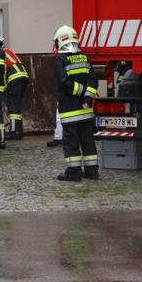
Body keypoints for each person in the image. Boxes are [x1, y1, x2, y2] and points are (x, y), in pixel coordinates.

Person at [53, 25, 99, 181]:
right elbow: (93, 81)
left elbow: (64, 83)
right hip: (86, 110)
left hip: (69, 110)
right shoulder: (85, 57)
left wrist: (80, 91)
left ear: (61, 41)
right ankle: (92, 172)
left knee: (71, 142)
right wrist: (87, 96)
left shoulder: (60, 59)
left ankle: (74, 173)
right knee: (88, 141)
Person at [3, 44, 29, 140]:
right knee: (16, 105)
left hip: (14, 78)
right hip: (23, 76)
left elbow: (2, 71)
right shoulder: (7, 50)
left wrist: (3, 87)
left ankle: (13, 132)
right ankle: (19, 131)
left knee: (13, 106)